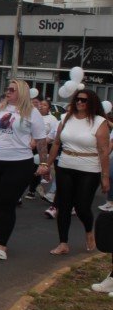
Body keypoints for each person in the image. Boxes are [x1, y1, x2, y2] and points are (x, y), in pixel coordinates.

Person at [0, 79, 47, 260]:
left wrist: (44, 163)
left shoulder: (32, 112)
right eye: (6, 89)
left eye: (12, 89)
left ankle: (2, 245)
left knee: (6, 203)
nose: (8, 92)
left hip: (19, 163)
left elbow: (41, 140)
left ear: (21, 91)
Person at [46, 90, 109, 255]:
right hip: (65, 165)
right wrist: (47, 164)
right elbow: (56, 143)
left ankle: (89, 231)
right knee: (63, 206)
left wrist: (105, 177)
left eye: (84, 100)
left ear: (92, 103)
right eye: (77, 99)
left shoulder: (99, 122)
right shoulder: (66, 118)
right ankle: (63, 243)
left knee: (82, 207)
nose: (80, 103)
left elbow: (103, 152)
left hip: (89, 168)